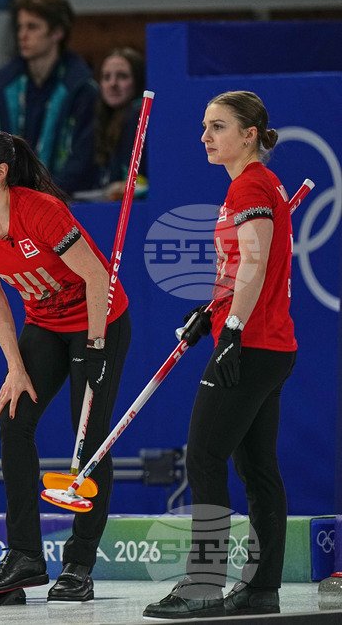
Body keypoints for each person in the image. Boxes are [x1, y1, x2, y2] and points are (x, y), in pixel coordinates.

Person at [0, 128, 131, 602]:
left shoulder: (40, 210)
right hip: (46, 323)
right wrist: (15, 366)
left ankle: (79, 564)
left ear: (0, 172)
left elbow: (96, 275)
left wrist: (95, 345)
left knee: (89, 437)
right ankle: (26, 556)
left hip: (98, 318)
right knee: (14, 418)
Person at [144, 91, 295, 619]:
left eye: (218, 127)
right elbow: (243, 271)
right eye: (204, 126)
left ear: (249, 135)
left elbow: (253, 262)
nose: (205, 136)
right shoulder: (253, 186)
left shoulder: (252, 184)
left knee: (205, 457)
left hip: (250, 345)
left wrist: (230, 328)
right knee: (257, 470)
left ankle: (204, 585)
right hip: (265, 343)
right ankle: (261, 589)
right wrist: (212, 311)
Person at [0, 0, 99, 195]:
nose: (22, 35)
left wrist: (45, 194)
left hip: (63, 205)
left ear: (57, 32)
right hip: (7, 204)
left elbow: (82, 159)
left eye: (32, 27)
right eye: (20, 27)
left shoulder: (83, 90)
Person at [93, 47, 147, 201]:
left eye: (122, 76)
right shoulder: (101, 120)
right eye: (106, 77)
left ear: (138, 80)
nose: (113, 83)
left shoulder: (138, 116)